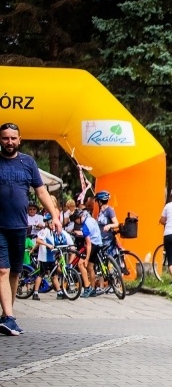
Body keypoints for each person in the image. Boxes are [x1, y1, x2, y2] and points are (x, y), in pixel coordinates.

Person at [0, 123, 62, 335]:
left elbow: (42, 192)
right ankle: (9, 317)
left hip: (19, 226)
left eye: (13, 138)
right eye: (5, 138)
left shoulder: (27, 163)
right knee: (2, 270)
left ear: (19, 139)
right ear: (0, 139)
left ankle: (7, 315)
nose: (9, 142)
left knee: (15, 272)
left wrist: (54, 216)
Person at [33, 213, 73, 300]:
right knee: (41, 274)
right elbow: (38, 240)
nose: (52, 224)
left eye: (52, 222)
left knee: (54, 275)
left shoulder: (52, 232)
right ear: (47, 223)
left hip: (51, 256)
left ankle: (59, 292)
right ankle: (35, 292)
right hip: (44, 257)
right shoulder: (45, 231)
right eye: (50, 222)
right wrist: (47, 245)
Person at [72, 208, 103, 298]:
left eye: (76, 220)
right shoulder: (91, 219)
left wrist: (86, 258)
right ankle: (93, 289)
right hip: (98, 244)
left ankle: (87, 287)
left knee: (81, 264)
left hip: (92, 245)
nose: (77, 222)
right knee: (90, 267)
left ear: (79, 218)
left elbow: (88, 244)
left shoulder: (85, 226)